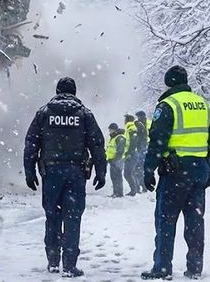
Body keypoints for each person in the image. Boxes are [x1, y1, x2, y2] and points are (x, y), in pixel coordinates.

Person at [141, 65, 210, 280]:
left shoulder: (168, 105)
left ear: (169, 83)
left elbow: (157, 142)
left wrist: (148, 170)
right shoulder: (205, 105)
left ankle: (162, 268)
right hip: (199, 172)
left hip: (174, 173)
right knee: (195, 221)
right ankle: (195, 268)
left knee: (166, 221)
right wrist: (208, 168)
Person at [24, 77, 107, 278]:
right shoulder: (84, 114)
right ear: (74, 92)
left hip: (51, 173)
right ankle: (70, 265)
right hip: (76, 173)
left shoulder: (43, 114)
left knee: (52, 216)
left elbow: (31, 144)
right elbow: (97, 144)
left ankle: (53, 261)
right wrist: (101, 172)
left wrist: (29, 171)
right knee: (73, 218)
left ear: (57, 91)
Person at [105, 123, 127, 198]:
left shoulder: (119, 137)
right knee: (114, 177)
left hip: (117, 161)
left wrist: (115, 159)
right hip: (113, 160)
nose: (109, 131)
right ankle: (116, 192)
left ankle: (119, 193)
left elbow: (120, 150)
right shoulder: (114, 137)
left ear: (114, 129)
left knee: (117, 176)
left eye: (110, 129)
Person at [133, 111, 150, 192]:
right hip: (147, 146)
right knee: (142, 168)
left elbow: (139, 136)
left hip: (142, 147)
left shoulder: (139, 124)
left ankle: (141, 187)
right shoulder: (148, 122)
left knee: (138, 168)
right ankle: (144, 186)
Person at [123, 114, 140, 195]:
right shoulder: (129, 128)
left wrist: (129, 152)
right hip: (131, 153)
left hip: (132, 154)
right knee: (130, 172)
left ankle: (134, 190)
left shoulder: (131, 128)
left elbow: (133, 142)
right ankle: (135, 189)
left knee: (128, 173)